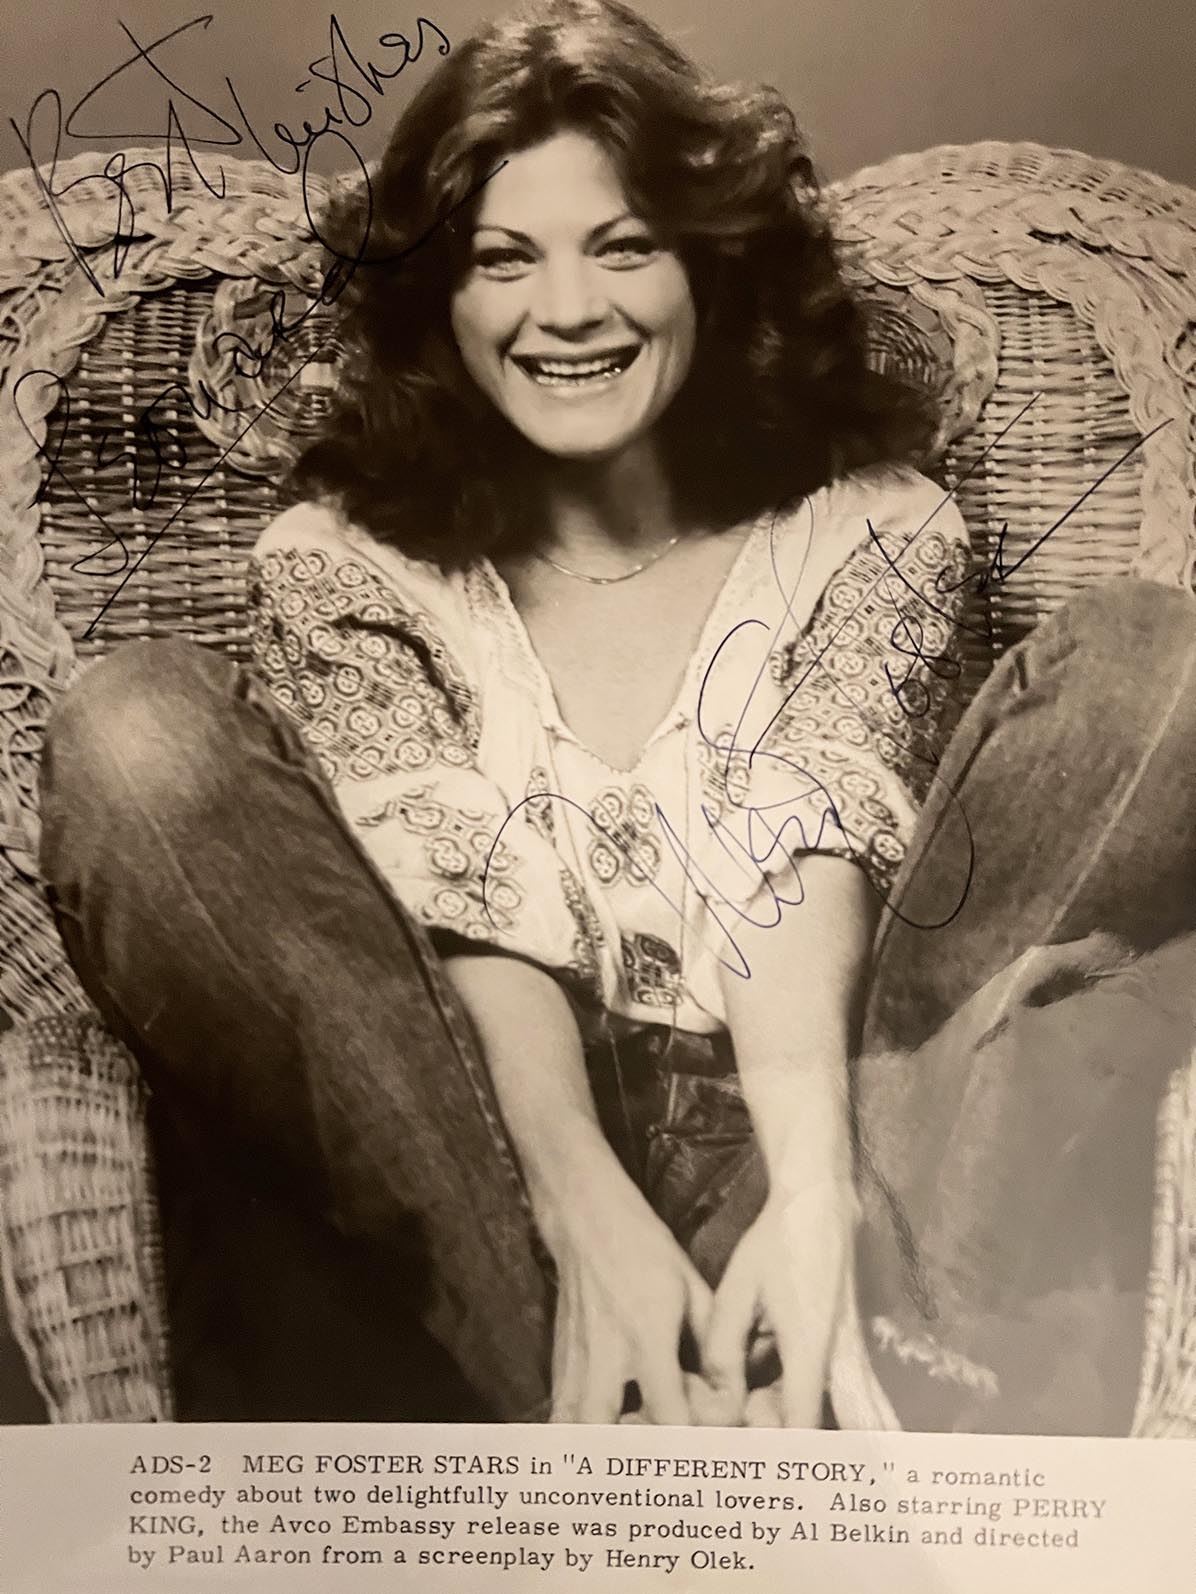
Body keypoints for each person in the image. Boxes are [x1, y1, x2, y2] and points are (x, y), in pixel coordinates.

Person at [37, 0, 1196, 1435]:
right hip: (479, 1149)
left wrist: (816, 1192)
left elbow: (799, 853)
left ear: (707, 263)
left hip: (824, 1116)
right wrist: (579, 1209)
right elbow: (459, 907)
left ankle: (805, 1341)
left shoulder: (870, 528)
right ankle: (665, 1414)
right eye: (502, 259)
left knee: (1159, 661)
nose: (569, 309)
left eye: (625, 245)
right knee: (133, 731)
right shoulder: (341, 562)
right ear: (440, 303)